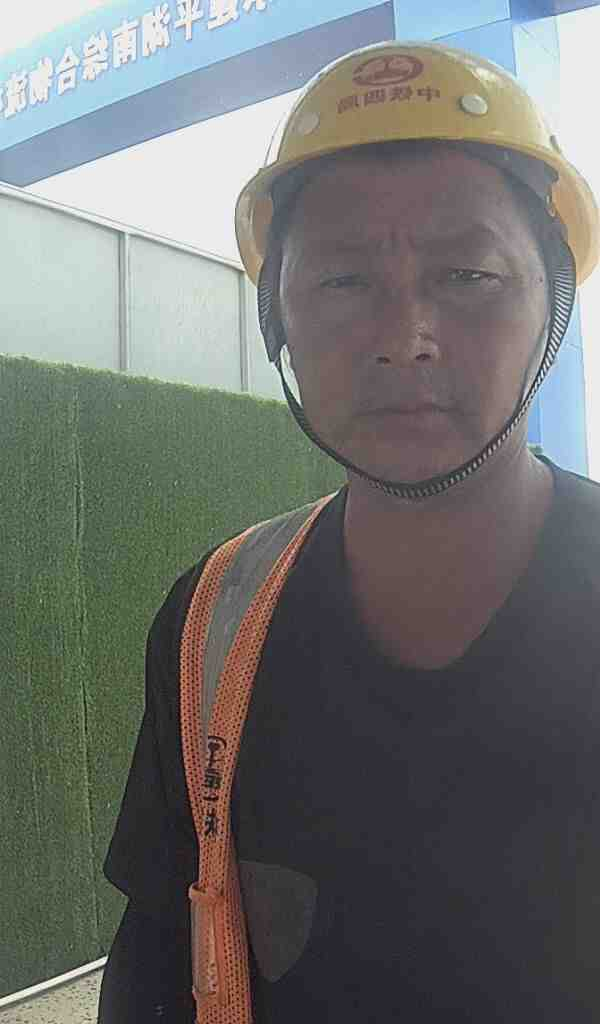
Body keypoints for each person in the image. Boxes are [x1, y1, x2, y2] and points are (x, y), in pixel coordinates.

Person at [98, 41, 600, 1023]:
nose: (404, 336)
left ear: (554, 304)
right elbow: (157, 954)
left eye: (468, 274)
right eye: (341, 282)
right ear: (276, 317)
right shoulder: (215, 619)